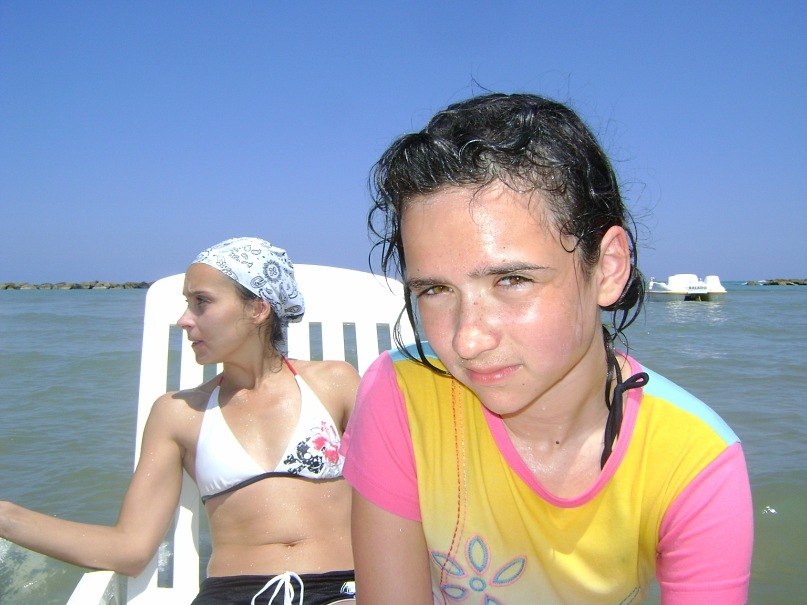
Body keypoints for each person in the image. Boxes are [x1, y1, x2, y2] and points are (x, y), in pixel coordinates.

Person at [341, 94, 753, 604]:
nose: (467, 339)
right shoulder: (402, 395)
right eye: (435, 290)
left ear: (608, 268)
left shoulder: (693, 459)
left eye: (512, 280)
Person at [0, 237, 359, 605]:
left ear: (258, 308)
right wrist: (6, 517)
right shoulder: (178, 413)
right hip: (232, 595)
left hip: (342, 590)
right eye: (188, 303)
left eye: (201, 302)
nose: (184, 320)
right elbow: (130, 548)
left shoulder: (334, 384)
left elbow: (392, 497)